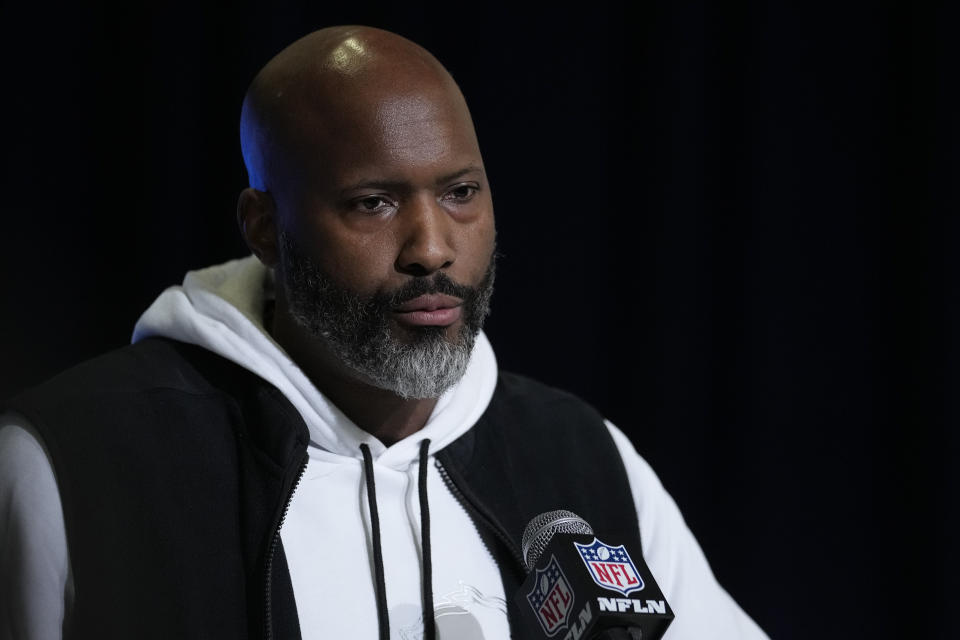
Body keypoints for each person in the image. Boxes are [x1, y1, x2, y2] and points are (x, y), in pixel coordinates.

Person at [0, 26, 768, 640]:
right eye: (373, 203)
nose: (432, 248)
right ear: (266, 228)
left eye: (461, 193)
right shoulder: (75, 462)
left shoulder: (580, 458)